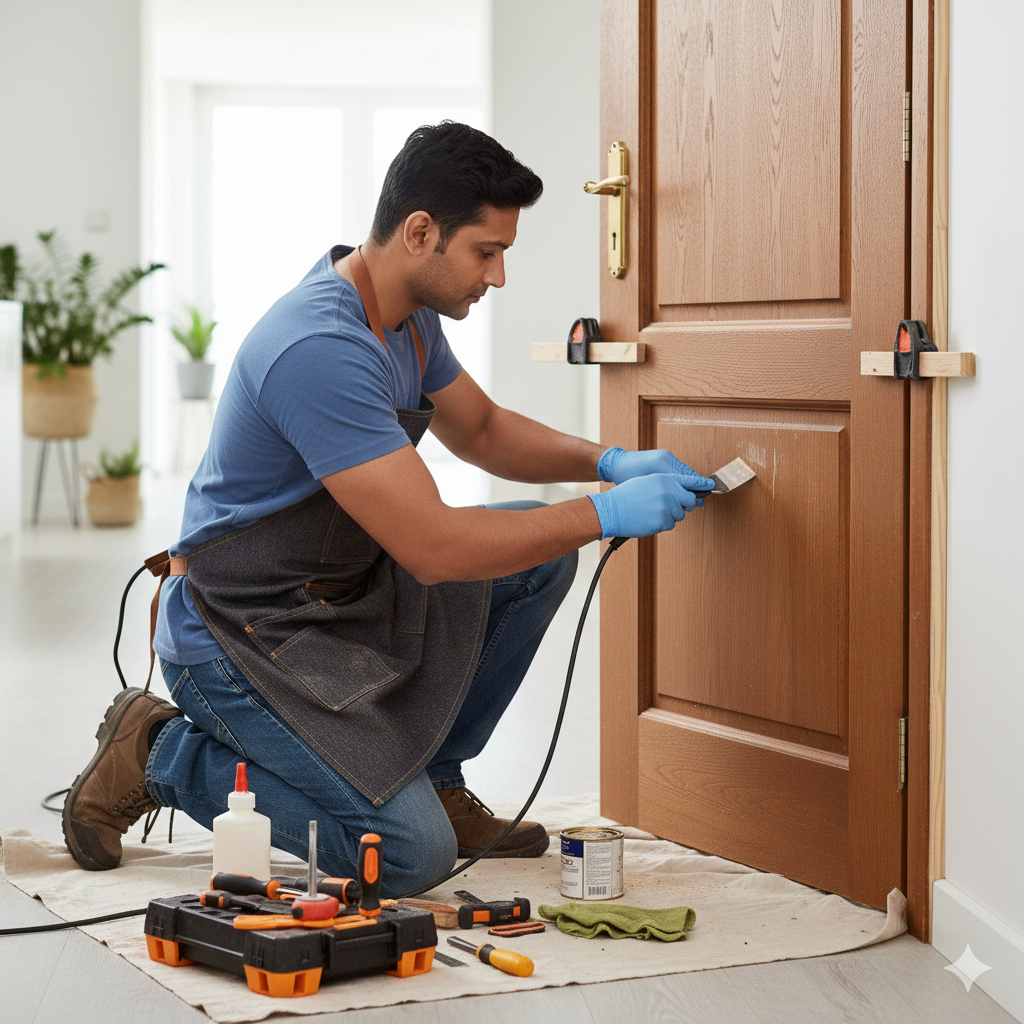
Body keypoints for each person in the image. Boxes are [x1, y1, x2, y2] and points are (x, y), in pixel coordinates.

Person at [62, 122, 713, 895]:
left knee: (536, 560)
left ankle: (436, 778)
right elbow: (435, 548)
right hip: (238, 633)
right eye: (486, 251)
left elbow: (482, 429)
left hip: (334, 594)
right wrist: (603, 513)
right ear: (419, 232)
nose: (498, 275)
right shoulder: (319, 348)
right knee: (410, 857)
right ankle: (162, 750)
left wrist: (605, 462)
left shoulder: (403, 317)